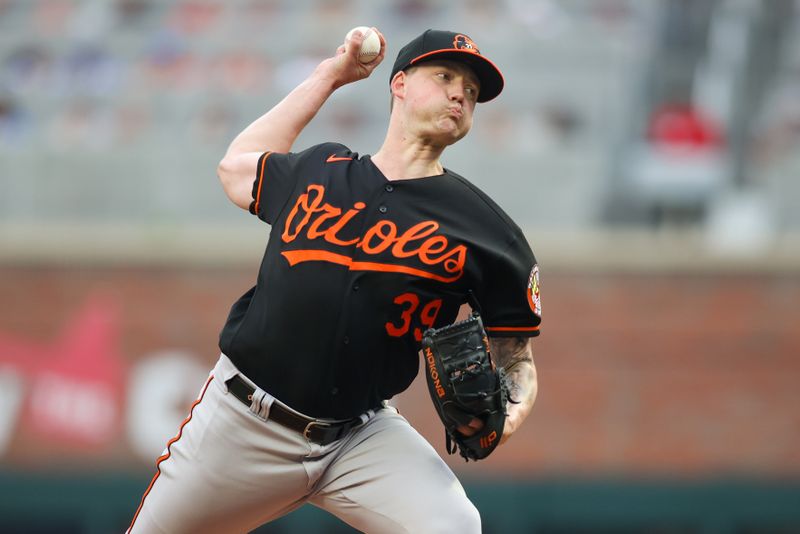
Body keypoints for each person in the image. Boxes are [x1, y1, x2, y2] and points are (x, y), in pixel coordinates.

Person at [128, 28, 541, 534]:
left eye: (472, 92)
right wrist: (330, 76)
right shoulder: (321, 170)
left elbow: (517, 357)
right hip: (243, 425)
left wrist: (506, 417)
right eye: (446, 77)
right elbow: (236, 168)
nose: (461, 93)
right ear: (400, 85)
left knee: (455, 526)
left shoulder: (488, 231)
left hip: (360, 437)